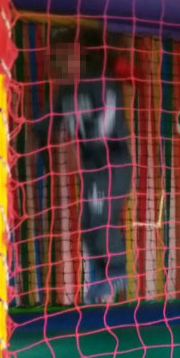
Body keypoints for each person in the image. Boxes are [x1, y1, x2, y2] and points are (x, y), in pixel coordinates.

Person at [34, 25, 133, 304]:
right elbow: (46, 124)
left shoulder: (100, 80)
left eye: (65, 57)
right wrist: (38, 141)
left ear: (80, 57)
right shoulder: (64, 93)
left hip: (112, 163)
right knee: (88, 223)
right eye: (55, 59)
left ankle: (116, 272)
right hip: (92, 169)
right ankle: (101, 278)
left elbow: (107, 116)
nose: (59, 65)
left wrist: (84, 143)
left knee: (100, 221)